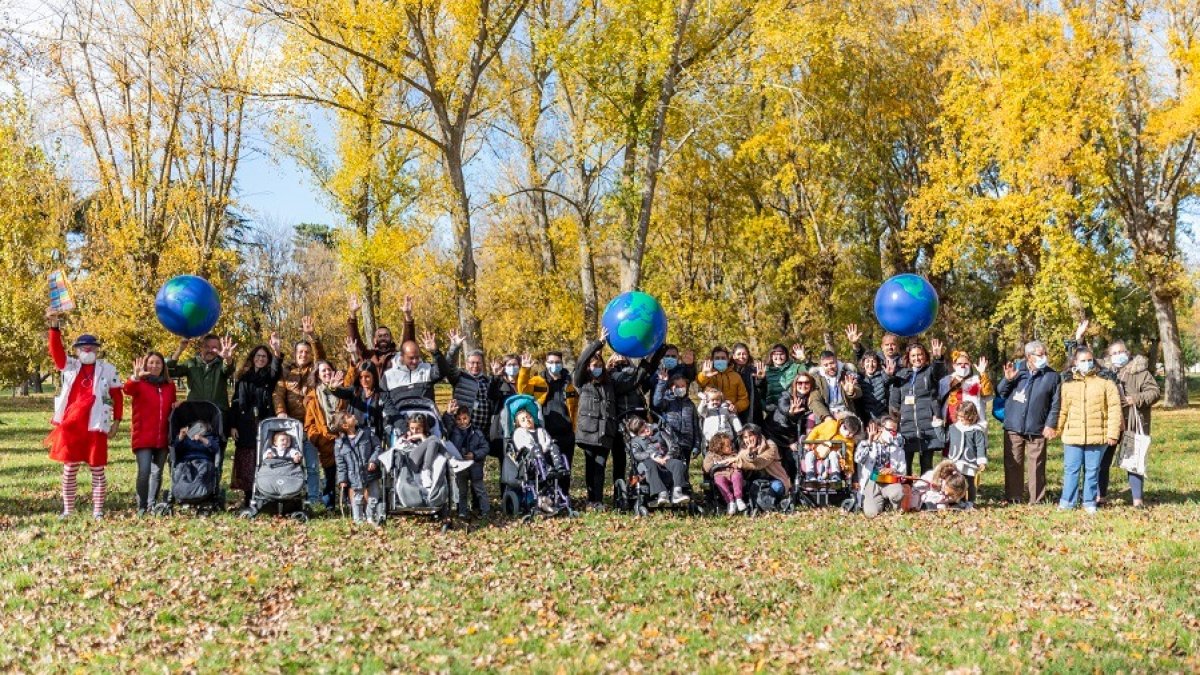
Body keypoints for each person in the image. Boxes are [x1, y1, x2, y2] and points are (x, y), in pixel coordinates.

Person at [44, 311, 124, 520]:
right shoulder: (70, 366)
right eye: (82, 347)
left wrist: (117, 421)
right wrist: (54, 326)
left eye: (91, 346)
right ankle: (68, 509)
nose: (87, 349)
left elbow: (118, 396)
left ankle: (98, 510)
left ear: (98, 350)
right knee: (70, 469)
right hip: (72, 425)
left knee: (97, 469)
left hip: (96, 424)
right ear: (77, 350)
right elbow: (56, 352)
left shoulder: (108, 369)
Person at [1056, 348, 1122, 513]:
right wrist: (1056, 429)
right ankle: (1067, 502)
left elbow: (1114, 408)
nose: (1087, 363)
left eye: (1089, 360)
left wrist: (1113, 433)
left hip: (1097, 434)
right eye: (1083, 361)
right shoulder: (1068, 384)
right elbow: (1063, 409)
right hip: (1073, 435)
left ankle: (1089, 502)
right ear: (1075, 363)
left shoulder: (1105, 382)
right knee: (1071, 470)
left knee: (1092, 471)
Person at [996, 340, 1061, 505]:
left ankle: (1037, 499)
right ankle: (1013, 496)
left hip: (1037, 427)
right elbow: (1001, 393)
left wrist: (1050, 424)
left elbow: (1055, 403)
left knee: (1037, 465)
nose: (1043, 357)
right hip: (1014, 425)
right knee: (1013, 462)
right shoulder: (1017, 371)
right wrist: (1008, 379)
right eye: (1040, 355)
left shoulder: (1052, 376)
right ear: (1028, 357)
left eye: (1045, 354)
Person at [274, 316, 326, 505]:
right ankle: (291, 494)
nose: (303, 355)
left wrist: (312, 336)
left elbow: (321, 357)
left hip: (310, 426)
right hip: (290, 426)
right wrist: (280, 411)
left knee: (312, 466)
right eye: (300, 352)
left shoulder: (315, 370)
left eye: (306, 352)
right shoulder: (287, 372)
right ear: (295, 354)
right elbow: (278, 393)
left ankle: (313, 498)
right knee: (290, 462)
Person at [229, 337, 283, 507]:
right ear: (253, 358)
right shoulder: (243, 378)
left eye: (264, 357)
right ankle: (248, 496)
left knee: (264, 459)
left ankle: (265, 494)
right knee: (246, 462)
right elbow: (236, 403)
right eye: (258, 356)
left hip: (264, 423)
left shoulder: (269, 378)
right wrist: (233, 425)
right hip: (245, 425)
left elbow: (276, 370)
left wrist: (276, 352)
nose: (260, 359)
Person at [1105, 340, 1159, 508]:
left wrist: (1136, 399)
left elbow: (1154, 392)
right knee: (1102, 461)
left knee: (1134, 462)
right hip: (1111, 423)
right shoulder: (1105, 373)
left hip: (1134, 423)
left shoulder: (1141, 372)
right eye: (1114, 353)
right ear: (1109, 357)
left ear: (1127, 353)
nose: (1118, 356)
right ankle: (1100, 495)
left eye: (1121, 352)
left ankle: (1137, 499)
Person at [516, 351, 579, 494]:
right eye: (551, 362)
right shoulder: (538, 380)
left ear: (562, 363)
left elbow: (575, 406)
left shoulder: (569, 382)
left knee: (565, 466)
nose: (554, 365)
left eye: (557, 362)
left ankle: (564, 496)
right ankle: (548, 497)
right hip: (545, 432)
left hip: (567, 431)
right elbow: (522, 390)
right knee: (546, 467)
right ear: (546, 363)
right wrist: (525, 370)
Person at [123, 351, 177, 515]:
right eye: (151, 363)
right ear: (146, 365)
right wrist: (135, 377)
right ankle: (142, 505)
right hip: (143, 435)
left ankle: (152, 504)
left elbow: (172, 405)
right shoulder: (139, 383)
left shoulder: (169, 385)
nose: (154, 366)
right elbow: (127, 389)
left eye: (158, 363)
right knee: (144, 471)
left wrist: (177, 407)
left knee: (157, 472)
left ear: (163, 366)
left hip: (163, 435)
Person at [573, 330, 620, 510]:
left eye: (598, 364)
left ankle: (598, 500)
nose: (596, 367)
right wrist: (598, 343)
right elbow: (580, 363)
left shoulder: (610, 384)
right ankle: (590, 499)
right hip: (588, 432)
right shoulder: (582, 382)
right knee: (590, 467)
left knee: (600, 468)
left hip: (605, 433)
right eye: (593, 365)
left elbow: (634, 379)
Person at [889, 340, 947, 476]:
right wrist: (895, 420)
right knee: (905, 465)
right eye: (913, 356)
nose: (917, 358)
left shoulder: (930, 372)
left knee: (926, 465)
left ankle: (925, 494)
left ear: (925, 356)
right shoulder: (901, 375)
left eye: (920, 355)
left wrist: (938, 359)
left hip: (927, 424)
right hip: (906, 426)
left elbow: (939, 374)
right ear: (908, 358)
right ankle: (907, 493)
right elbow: (894, 401)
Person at [304, 360, 346, 505]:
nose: (327, 373)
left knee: (346, 472)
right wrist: (319, 439)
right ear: (318, 375)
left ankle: (349, 503)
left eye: (329, 369)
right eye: (323, 371)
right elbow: (309, 424)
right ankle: (330, 506)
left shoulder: (342, 390)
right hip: (325, 441)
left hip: (343, 438)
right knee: (329, 475)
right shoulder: (312, 397)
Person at [626, 416, 690, 507]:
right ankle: (662, 493)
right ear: (637, 434)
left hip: (665, 460)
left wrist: (668, 456)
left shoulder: (660, 433)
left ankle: (677, 493)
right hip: (648, 464)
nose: (646, 431)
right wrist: (652, 456)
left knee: (677, 463)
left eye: (646, 428)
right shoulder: (636, 441)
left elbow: (674, 446)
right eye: (642, 432)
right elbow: (637, 455)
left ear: (646, 423)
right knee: (650, 464)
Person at [333, 411, 383, 525]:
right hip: (354, 475)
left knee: (374, 495)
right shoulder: (339, 444)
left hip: (370, 472)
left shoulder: (367, 432)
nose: (354, 416)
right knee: (358, 498)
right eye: (350, 417)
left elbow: (378, 447)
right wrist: (342, 480)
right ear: (345, 425)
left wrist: (373, 460)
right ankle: (358, 520)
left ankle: (370, 517)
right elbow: (340, 464)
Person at [443, 400, 490, 518]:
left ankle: (485, 511)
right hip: (460, 466)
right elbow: (445, 425)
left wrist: (474, 454)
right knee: (462, 491)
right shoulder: (453, 431)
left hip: (475, 466)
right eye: (459, 419)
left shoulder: (477, 433)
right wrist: (448, 413)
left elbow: (485, 448)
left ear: (469, 418)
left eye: (464, 418)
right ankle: (462, 511)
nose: (462, 422)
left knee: (479, 490)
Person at [346, 294, 415, 373]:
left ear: (391, 339)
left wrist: (408, 316)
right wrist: (352, 314)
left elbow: (408, 344)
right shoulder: (368, 355)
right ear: (374, 340)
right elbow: (355, 341)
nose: (383, 338)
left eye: (386, 335)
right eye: (380, 336)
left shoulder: (398, 356)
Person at [855, 415, 907, 517]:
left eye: (895, 431)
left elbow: (903, 473)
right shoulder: (867, 444)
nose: (893, 434)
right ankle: (879, 503)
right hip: (872, 481)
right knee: (871, 513)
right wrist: (870, 441)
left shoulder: (898, 448)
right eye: (890, 430)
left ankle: (892, 505)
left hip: (890, 480)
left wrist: (893, 470)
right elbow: (859, 459)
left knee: (898, 493)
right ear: (882, 429)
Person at [380, 331, 444, 412]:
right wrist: (399, 423)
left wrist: (435, 352)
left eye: (417, 357)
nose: (415, 361)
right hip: (400, 420)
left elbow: (443, 371)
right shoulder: (388, 376)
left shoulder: (426, 369)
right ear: (402, 356)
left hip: (426, 420)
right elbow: (386, 404)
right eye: (411, 358)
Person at [773, 372, 831, 456]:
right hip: (779, 435)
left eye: (806, 382)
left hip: (794, 437)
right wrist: (790, 412)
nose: (803, 385)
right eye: (800, 383)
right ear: (795, 384)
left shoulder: (811, 399)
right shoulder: (787, 394)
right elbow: (782, 405)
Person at [651, 371, 701, 459]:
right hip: (670, 443)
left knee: (683, 470)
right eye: (677, 386)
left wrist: (697, 445)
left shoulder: (690, 404)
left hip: (686, 444)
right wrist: (662, 383)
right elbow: (656, 403)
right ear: (671, 387)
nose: (680, 388)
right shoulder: (667, 401)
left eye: (683, 386)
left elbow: (695, 426)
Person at [756, 343, 805, 429]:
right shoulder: (765, 370)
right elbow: (760, 392)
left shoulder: (794, 367)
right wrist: (765, 407)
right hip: (772, 411)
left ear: (786, 355)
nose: (778, 357)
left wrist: (802, 360)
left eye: (781, 354)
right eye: (775, 354)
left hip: (791, 409)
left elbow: (808, 374)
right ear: (771, 356)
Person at [947, 401, 987, 505]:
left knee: (970, 482)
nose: (960, 419)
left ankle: (970, 502)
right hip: (956, 461)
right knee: (959, 482)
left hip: (970, 461)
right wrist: (937, 426)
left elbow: (980, 446)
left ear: (971, 416)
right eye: (959, 416)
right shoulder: (954, 428)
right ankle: (960, 501)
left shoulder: (977, 430)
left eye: (963, 417)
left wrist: (981, 461)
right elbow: (944, 438)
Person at [735, 424, 792, 496]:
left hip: (773, 479)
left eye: (751, 435)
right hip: (755, 481)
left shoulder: (770, 445)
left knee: (777, 487)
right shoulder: (743, 450)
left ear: (757, 435)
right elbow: (738, 460)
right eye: (745, 437)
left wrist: (750, 455)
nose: (748, 439)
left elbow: (760, 463)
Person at [939, 351, 992, 427]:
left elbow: (987, 394)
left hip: (972, 425)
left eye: (966, 363)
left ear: (970, 364)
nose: (963, 366)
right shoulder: (946, 381)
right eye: (959, 364)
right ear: (954, 365)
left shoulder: (976, 380)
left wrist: (982, 373)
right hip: (951, 424)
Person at [696, 346, 749, 415]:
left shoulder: (736, 376)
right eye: (717, 358)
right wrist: (704, 375)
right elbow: (700, 382)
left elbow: (744, 399)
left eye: (723, 358)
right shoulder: (707, 374)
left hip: (729, 415)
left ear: (728, 360)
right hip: (710, 414)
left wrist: (736, 407)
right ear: (712, 360)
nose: (720, 360)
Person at [703, 432, 746, 514]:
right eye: (728, 446)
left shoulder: (733, 454)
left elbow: (739, 462)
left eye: (731, 444)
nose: (731, 447)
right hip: (720, 474)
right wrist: (715, 464)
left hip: (732, 472)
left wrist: (735, 464)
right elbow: (706, 467)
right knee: (719, 480)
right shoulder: (711, 455)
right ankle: (730, 501)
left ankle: (738, 498)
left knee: (737, 476)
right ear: (719, 447)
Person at [810, 350, 861, 419]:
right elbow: (814, 400)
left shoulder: (846, 374)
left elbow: (859, 392)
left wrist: (851, 392)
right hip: (827, 413)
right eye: (826, 365)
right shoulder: (817, 379)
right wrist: (826, 417)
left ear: (836, 361)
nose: (830, 367)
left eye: (832, 363)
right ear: (821, 366)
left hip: (847, 413)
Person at [730, 343, 761, 424]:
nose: (741, 357)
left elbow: (761, 389)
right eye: (739, 354)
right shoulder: (728, 372)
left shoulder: (754, 371)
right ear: (733, 356)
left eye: (744, 354)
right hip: (732, 409)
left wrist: (761, 379)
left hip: (751, 411)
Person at [855, 352, 890, 422]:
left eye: (873, 361)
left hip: (883, 416)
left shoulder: (883, 376)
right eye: (867, 361)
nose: (870, 365)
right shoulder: (859, 379)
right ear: (863, 364)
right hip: (866, 419)